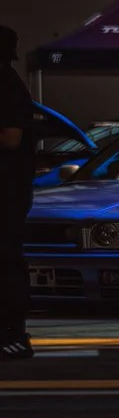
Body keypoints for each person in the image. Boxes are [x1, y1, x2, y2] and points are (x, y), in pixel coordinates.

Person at [0, 27, 36, 360]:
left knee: (7, 260)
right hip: (11, 192)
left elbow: (11, 138)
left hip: (6, 194)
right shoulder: (12, 82)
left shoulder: (7, 86)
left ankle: (11, 333)